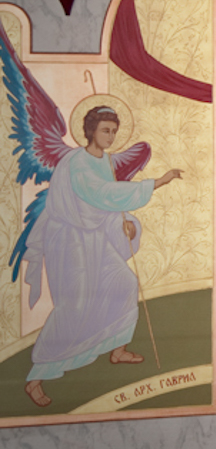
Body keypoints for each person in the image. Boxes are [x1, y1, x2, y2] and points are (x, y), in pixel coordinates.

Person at [21, 105, 182, 408]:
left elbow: (104, 206)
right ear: (91, 130)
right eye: (106, 130)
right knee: (74, 304)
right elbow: (102, 194)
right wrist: (158, 182)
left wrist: (125, 224)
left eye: (114, 131)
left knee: (125, 283)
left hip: (94, 236)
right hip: (70, 239)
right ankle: (36, 378)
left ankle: (117, 349)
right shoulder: (77, 163)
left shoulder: (105, 161)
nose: (111, 137)